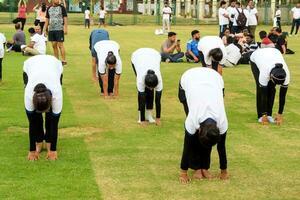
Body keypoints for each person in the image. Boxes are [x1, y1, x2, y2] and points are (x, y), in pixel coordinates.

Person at [178, 67, 228, 183]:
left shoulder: (222, 121)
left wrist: (224, 171)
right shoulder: (193, 118)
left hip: (214, 78)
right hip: (188, 78)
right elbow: (187, 144)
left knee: (209, 136)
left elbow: (221, 147)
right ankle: (196, 168)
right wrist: (183, 173)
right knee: (193, 137)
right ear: (200, 129)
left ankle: (204, 167)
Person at [23, 55, 63, 161]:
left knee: (51, 116)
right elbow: (31, 123)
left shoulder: (56, 94)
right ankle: (39, 140)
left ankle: (49, 141)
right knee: (35, 118)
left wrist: (53, 150)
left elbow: (55, 123)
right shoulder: (28, 94)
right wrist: (32, 151)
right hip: (30, 65)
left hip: (54, 64)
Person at [250, 48, 290, 125]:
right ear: (271, 76)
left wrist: (280, 114)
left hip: (274, 52)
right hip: (256, 57)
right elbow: (263, 94)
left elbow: (282, 96)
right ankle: (261, 115)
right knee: (260, 89)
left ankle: (269, 115)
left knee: (272, 88)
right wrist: (263, 115)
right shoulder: (264, 72)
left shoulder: (286, 74)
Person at [131, 48, 163, 126]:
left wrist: (158, 118)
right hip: (137, 56)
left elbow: (158, 100)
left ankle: (149, 115)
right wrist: (142, 120)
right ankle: (140, 116)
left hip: (154, 55)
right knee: (143, 93)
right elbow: (141, 99)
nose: (152, 89)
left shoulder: (159, 80)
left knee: (150, 91)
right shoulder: (140, 79)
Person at [44, 0, 68, 65]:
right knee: (54, 45)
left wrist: (65, 28)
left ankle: (63, 60)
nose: (58, 1)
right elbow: (47, 20)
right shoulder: (49, 8)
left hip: (59, 29)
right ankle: (56, 60)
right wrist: (44, 29)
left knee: (60, 45)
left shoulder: (62, 8)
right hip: (51, 30)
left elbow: (65, 18)